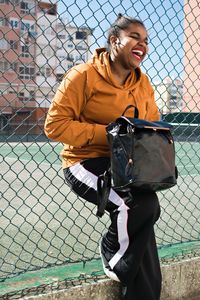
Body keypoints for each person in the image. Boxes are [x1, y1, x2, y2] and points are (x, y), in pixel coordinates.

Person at [44, 13, 162, 300]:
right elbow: (55, 126)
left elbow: (153, 121)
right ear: (114, 41)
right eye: (135, 37)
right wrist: (111, 135)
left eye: (146, 40)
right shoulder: (83, 75)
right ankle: (113, 255)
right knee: (137, 206)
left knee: (146, 214)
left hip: (128, 163)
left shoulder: (143, 83)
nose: (142, 44)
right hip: (84, 161)